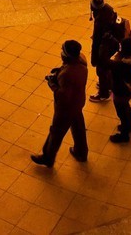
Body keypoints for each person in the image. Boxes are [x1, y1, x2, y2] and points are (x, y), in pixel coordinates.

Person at [30, 39, 89, 168]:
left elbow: (63, 96)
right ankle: (81, 152)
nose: (61, 52)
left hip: (66, 108)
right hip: (78, 102)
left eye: (63, 51)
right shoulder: (81, 62)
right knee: (78, 127)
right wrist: (59, 72)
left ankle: (47, 157)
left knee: (56, 131)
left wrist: (53, 84)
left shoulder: (67, 74)